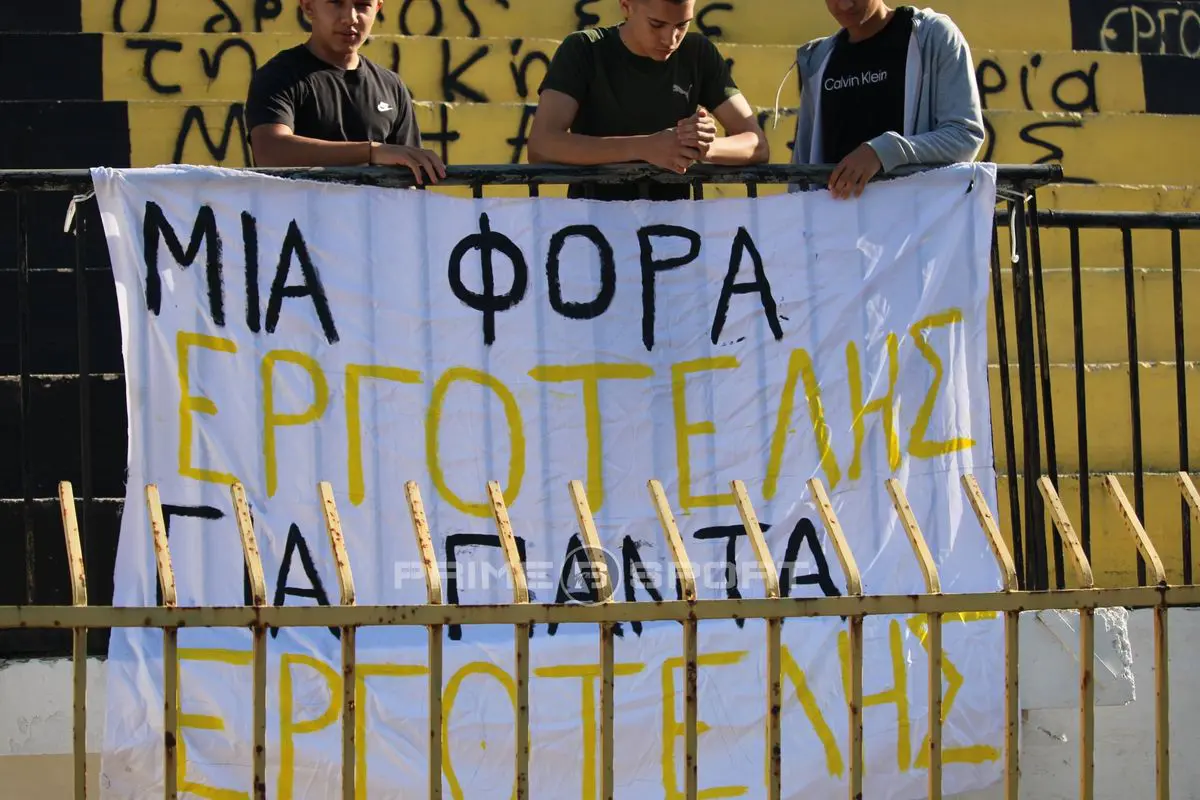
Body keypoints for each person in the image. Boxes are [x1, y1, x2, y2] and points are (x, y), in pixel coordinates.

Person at [528, 0, 770, 201]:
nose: (670, 39)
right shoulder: (584, 49)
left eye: (682, 25)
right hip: (594, 228)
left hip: (674, 231)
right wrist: (644, 147)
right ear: (626, 6)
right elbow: (542, 145)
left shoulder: (698, 53)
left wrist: (701, 146)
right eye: (657, 24)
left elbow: (757, 144)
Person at [782, 0, 985, 199]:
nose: (845, 5)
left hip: (915, 217)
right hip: (835, 219)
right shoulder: (818, 60)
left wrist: (882, 152)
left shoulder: (933, 35)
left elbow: (964, 136)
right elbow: (802, 172)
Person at [245, 0, 445, 185]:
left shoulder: (391, 85)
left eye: (362, 5)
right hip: (302, 213)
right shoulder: (279, 74)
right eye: (336, 2)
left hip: (376, 213)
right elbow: (270, 152)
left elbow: (412, 175)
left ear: (377, 8)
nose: (350, 18)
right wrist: (371, 152)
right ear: (308, 6)